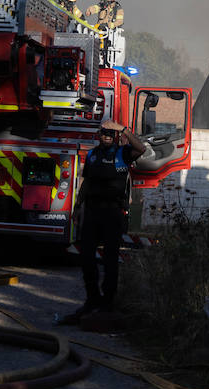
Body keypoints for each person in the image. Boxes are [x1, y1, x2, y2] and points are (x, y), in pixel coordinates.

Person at [60, 119, 147, 324]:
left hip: (113, 213)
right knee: (87, 258)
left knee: (110, 260)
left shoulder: (123, 153)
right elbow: (87, 182)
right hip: (92, 212)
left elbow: (141, 148)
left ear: (114, 135)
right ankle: (92, 299)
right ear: (99, 135)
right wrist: (77, 206)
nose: (107, 136)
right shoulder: (92, 154)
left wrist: (123, 129)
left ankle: (108, 302)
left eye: (110, 134)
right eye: (104, 133)